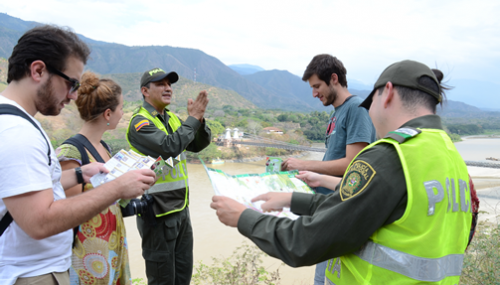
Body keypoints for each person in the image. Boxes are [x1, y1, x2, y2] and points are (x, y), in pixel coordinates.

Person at [211, 60, 473, 285]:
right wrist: (293, 199)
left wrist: (243, 217)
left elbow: (306, 241)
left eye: (372, 102)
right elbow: (369, 206)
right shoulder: (452, 158)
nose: (370, 111)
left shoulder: (389, 157)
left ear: (388, 93)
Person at [0, 25, 155, 285]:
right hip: (31, 274)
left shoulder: (18, 123)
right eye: (70, 83)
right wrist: (118, 187)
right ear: (38, 70)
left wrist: (81, 174)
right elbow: (39, 221)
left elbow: (29, 187)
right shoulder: (18, 133)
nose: (73, 95)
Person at [281, 54, 376, 284]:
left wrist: (303, 164)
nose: (314, 94)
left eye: (317, 86)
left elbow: (353, 164)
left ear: (334, 79)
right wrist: (309, 176)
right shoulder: (337, 113)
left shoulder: (356, 109)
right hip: (327, 212)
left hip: (341, 215)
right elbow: (333, 162)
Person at [126, 67, 211, 285]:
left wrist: (199, 121)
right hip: (157, 212)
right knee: (162, 280)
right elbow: (169, 146)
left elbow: (198, 145)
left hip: (181, 210)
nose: (167, 88)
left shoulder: (173, 119)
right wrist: (191, 119)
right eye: (160, 84)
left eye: (169, 84)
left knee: (183, 277)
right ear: (145, 91)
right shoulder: (140, 122)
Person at [56, 71, 131, 284]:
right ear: (108, 114)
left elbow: (111, 201)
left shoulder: (104, 148)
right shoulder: (71, 153)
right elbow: (68, 213)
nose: (122, 113)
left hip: (112, 247)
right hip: (88, 257)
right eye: (121, 108)